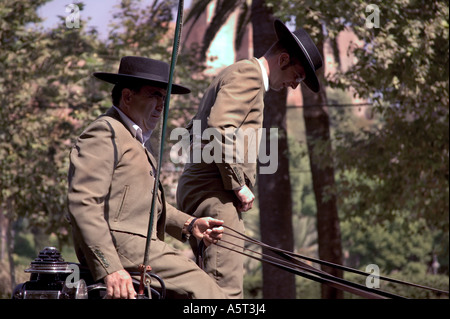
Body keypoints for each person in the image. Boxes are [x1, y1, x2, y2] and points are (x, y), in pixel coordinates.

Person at [176, 19, 323, 298]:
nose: (294, 86)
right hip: (216, 195)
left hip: (208, 192)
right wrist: (238, 184)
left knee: (208, 291)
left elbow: (199, 129)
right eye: (299, 76)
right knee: (226, 293)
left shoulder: (241, 74)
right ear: (283, 59)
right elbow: (220, 128)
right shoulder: (248, 74)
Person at [67, 56, 226, 299]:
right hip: (122, 247)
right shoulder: (105, 132)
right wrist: (111, 268)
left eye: (164, 97)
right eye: (154, 94)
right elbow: (83, 203)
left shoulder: (139, 139)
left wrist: (190, 224)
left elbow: (148, 204)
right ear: (128, 96)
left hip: (140, 247)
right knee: (205, 290)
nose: (161, 104)